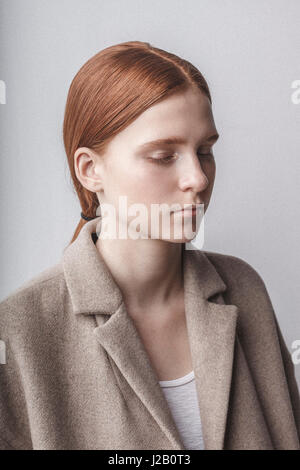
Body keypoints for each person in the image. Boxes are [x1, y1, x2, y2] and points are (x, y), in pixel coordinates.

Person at [0, 41, 299, 450]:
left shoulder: (245, 289)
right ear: (90, 170)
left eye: (205, 151)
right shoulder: (18, 330)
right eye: (163, 156)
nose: (198, 178)